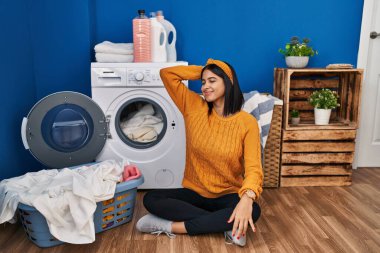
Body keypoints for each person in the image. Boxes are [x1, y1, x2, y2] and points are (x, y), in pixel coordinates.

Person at [136, 59, 263, 247]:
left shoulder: (247, 122)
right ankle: (229, 225)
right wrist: (203, 71)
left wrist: (246, 199)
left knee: (254, 210)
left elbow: (254, 169)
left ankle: (171, 227)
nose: (205, 87)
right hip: (194, 194)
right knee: (151, 198)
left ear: (228, 82)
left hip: (227, 195)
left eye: (212, 81)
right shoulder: (193, 107)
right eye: (203, 82)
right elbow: (167, 74)